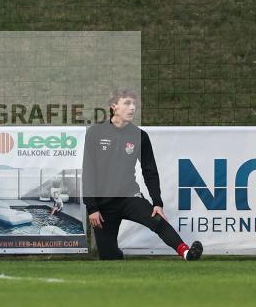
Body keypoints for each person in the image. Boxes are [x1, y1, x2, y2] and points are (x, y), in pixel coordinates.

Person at [83, 88, 202, 261]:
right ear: (113, 106)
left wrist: (157, 202)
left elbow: (149, 171)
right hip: (103, 204)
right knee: (109, 257)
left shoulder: (140, 136)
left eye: (134, 104)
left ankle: (186, 252)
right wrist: (92, 207)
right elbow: (88, 171)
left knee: (157, 220)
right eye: (127, 103)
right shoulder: (95, 133)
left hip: (130, 197)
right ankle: (116, 255)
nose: (132, 108)